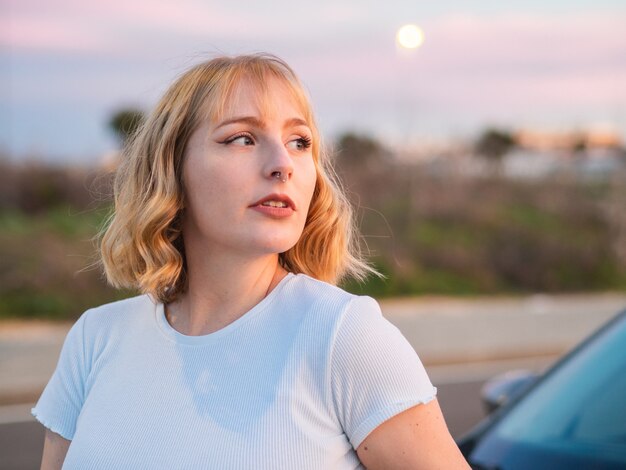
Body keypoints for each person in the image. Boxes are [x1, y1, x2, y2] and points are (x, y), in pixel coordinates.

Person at [32, 54, 469, 469]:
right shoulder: (95, 340)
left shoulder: (343, 335)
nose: (283, 165)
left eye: (300, 142)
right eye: (242, 138)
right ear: (171, 168)